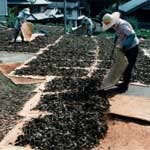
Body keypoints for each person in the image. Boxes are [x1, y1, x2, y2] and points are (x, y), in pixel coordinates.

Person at [101, 12, 139, 92]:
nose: (112, 27)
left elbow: (131, 35)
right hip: (126, 47)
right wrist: (116, 40)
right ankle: (124, 82)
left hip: (132, 47)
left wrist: (124, 46)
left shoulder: (122, 25)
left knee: (128, 66)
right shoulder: (116, 25)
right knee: (123, 65)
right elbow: (118, 34)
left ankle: (125, 86)